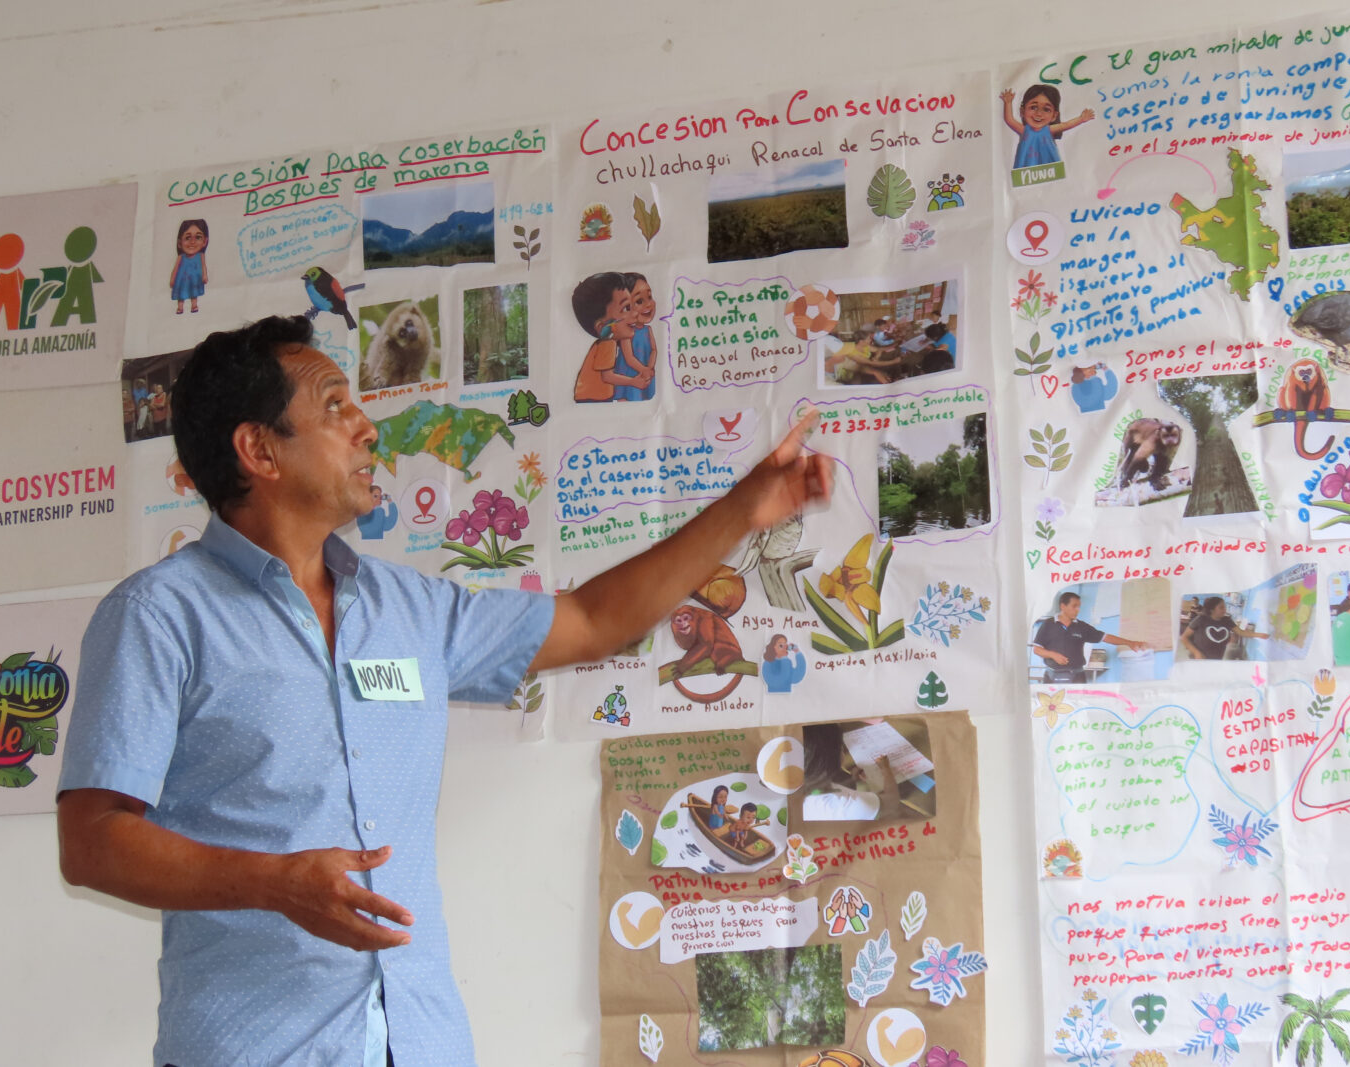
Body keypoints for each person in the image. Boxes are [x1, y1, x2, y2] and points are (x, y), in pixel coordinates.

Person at [56, 314, 832, 1067]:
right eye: (334, 407)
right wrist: (273, 883)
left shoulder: (411, 611)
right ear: (259, 449)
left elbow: (595, 620)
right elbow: (91, 841)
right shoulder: (158, 616)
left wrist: (746, 507)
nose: (367, 428)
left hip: (420, 1041)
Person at [1031, 591, 1149, 683]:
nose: (1078, 610)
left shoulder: (1082, 627)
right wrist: (1053, 655)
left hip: (1077, 675)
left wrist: (1129, 643)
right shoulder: (1048, 624)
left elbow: (1105, 637)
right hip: (1053, 675)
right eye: (1074, 606)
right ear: (1063, 606)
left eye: (1079, 606)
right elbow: (1037, 649)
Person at [571, 271, 652, 402]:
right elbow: (607, 377)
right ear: (602, 327)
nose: (635, 313)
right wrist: (633, 382)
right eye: (626, 308)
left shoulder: (613, 342)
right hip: (592, 398)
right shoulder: (607, 344)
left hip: (598, 397)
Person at [799, 723, 901, 822]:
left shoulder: (801, 786)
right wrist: (886, 769)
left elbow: (832, 790)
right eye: (840, 747)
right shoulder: (852, 805)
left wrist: (856, 781)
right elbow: (892, 802)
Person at [1000, 84, 1095, 170]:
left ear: (1054, 116)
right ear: (1022, 111)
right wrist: (1008, 103)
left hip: (1050, 169)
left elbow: (1066, 125)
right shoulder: (1024, 130)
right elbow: (1009, 120)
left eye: (1046, 109)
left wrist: (1081, 119)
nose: (1039, 113)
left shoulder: (1049, 130)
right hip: (1026, 170)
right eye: (1033, 107)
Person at [612, 273, 657, 402]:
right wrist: (643, 370)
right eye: (639, 301)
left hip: (645, 374)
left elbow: (654, 350)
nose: (648, 304)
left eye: (649, 297)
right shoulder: (626, 332)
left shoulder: (648, 330)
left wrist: (650, 367)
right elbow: (629, 357)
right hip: (629, 375)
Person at [1180, 596, 1268, 660]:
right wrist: (1196, 653)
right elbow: (1184, 637)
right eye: (1221, 607)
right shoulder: (1201, 619)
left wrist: (1259, 635)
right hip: (1199, 659)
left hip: (1217, 659)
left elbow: (1241, 632)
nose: (1225, 610)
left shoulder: (1227, 620)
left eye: (1225, 607)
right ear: (1212, 610)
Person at [169, 219, 208, 315]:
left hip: (195, 279)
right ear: (179, 243)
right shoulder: (181, 257)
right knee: (181, 294)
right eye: (187, 238)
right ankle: (180, 307)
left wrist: (205, 275)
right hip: (182, 280)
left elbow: (203, 266)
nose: (192, 242)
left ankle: (194, 305)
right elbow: (175, 268)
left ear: (205, 241)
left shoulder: (201, 255)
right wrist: (172, 279)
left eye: (198, 237)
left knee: (194, 293)